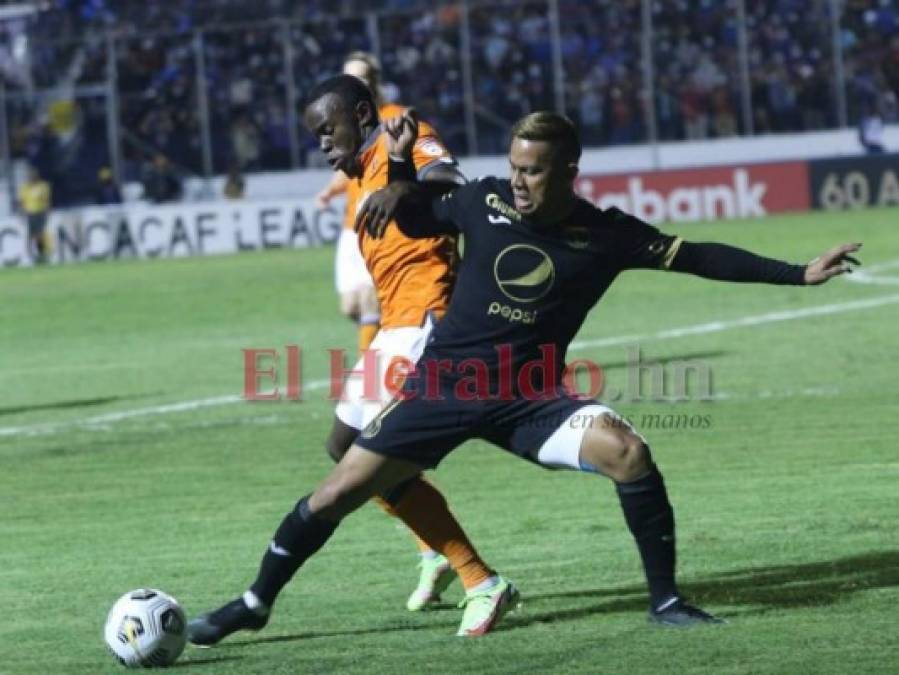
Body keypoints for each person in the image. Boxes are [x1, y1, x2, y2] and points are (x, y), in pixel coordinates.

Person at [189, 108, 863, 644]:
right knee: (336, 488)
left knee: (627, 452)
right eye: (514, 166)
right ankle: (254, 602)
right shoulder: (480, 200)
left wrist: (796, 272)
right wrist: (396, 166)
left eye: (533, 170)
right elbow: (420, 215)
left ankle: (665, 600)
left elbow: (699, 256)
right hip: (442, 387)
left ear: (568, 170)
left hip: (530, 396)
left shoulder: (606, 234)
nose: (518, 179)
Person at [187, 75, 516, 645]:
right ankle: (446, 556)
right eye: (314, 135)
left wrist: (404, 183)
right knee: (343, 447)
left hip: (427, 324)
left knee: (357, 471)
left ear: (361, 114)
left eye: (327, 129)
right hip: (396, 328)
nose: (321, 143)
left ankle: (474, 577)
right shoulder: (360, 173)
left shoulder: (401, 136)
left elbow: (450, 182)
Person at [315, 52, 406, 356]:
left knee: (370, 299)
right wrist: (330, 191)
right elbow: (346, 167)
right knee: (351, 305)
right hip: (349, 225)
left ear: (373, 83)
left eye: (359, 78)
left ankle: (372, 371)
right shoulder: (343, 122)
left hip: (379, 222)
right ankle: (387, 342)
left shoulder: (393, 116)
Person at [18, 166, 52, 264]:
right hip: (29, 214)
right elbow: (22, 202)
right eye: (30, 175)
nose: (31, 177)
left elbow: (46, 201)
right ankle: (30, 255)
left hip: (40, 213)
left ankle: (42, 254)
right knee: (30, 235)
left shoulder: (43, 186)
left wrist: (47, 212)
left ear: (37, 176)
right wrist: (21, 214)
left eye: (33, 175)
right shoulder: (25, 188)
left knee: (39, 235)